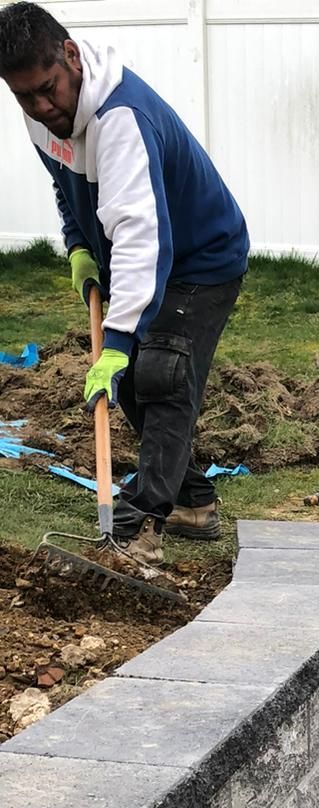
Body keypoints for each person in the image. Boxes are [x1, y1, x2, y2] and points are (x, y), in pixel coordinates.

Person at [0, 2, 249, 565]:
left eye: (48, 89)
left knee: (161, 371)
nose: (42, 106)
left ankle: (137, 526)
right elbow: (66, 183)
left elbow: (143, 237)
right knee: (134, 381)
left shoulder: (121, 119)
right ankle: (193, 501)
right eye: (24, 97)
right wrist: (80, 247)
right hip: (137, 252)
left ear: (69, 55)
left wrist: (116, 343)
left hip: (202, 256)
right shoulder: (41, 114)